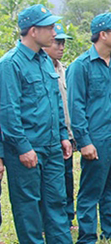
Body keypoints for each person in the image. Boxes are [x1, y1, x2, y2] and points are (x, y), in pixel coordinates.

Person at [0, 4, 75, 244]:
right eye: (50, 27)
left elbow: (55, 99)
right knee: (28, 209)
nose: (54, 32)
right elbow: (8, 111)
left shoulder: (45, 60)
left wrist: (63, 135)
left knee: (57, 203)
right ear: (33, 31)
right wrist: (23, 148)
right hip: (27, 151)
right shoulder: (10, 64)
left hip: (53, 146)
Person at [67, 13, 111, 244]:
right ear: (103, 35)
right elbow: (76, 107)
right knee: (90, 189)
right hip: (97, 138)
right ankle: (87, 239)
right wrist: (84, 141)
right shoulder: (81, 66)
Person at [43, 23, 76, 230]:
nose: (61, 47)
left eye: (63, 43)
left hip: (66, 133)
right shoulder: (42, 67)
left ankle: (68, 217)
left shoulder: (62, 69)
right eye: (57, 42)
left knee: (67, 177)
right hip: (49, 135)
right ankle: (50, 221)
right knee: (52, 183)